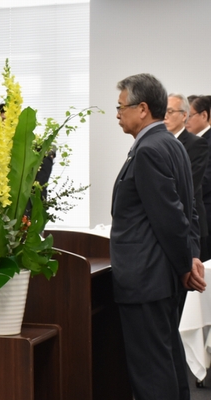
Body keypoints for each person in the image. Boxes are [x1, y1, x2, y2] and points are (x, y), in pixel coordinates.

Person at [111, 73, 206, 400]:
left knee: (151, 371)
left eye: (121, 106)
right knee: (167, 362)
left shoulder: (150, 149)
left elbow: (170, 218)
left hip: (145, 277)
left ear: (143, 108)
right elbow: (189, 211)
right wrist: (190, 258)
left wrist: (185, 265)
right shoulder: (172, 144)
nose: (118, 113)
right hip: (161, 276)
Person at [164, 94, 209, 262]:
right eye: (163, 111)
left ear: (184, 115)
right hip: (167, 224)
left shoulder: (197, 143)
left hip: (190, 222)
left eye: (170, 111)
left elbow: (189, 184)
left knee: (195, 282)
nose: (165, 116)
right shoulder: (159, 142)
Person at [187, 95, 211, 262]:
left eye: (189, 115)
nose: (185, 120)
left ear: (204, 115)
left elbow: (205, 180)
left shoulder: (205, 142)